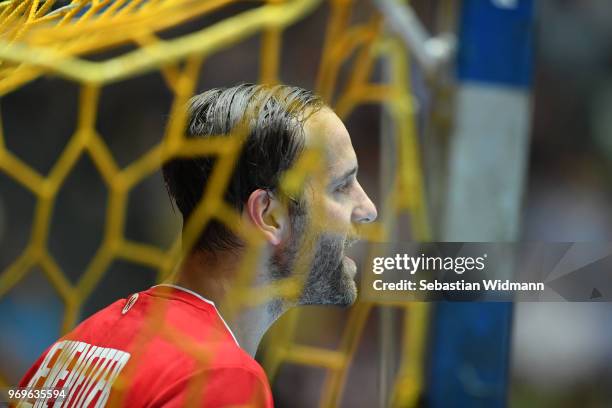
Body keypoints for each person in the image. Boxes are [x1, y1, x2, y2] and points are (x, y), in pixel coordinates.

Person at [16, 84, 378, 407]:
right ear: (269, 217)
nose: (368, 209)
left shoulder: (70, 350)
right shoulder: (221, 378)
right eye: (342, 187)